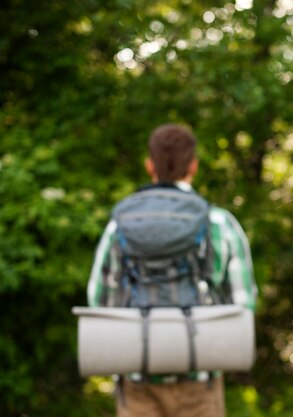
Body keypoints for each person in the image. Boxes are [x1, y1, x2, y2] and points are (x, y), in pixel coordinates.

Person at [87, 123, 257, 417]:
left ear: (149, 165)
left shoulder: (120, 225)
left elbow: (99, 300)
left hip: (137, 379)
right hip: (200, 380)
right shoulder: (219, 223)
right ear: (193, 166)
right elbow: (243, 306)